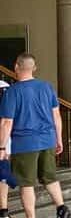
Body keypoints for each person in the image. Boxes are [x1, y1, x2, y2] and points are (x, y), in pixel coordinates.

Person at [0, 53, 71, 218]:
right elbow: (56, 115)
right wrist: (59, 138)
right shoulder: (47, 87)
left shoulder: (13, 91)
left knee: (26, 183)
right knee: (50, 177)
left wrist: (2, 147)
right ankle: (61, 208)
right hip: (47, 139)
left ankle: (31, 216)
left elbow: (6, 122)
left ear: (16, 67)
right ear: (34, 68)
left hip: (24, 143)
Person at [0, 79, 10, 218]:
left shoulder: (4, 87)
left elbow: (6, 118)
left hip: (3, 137)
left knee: (3, 174)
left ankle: (3, 209)